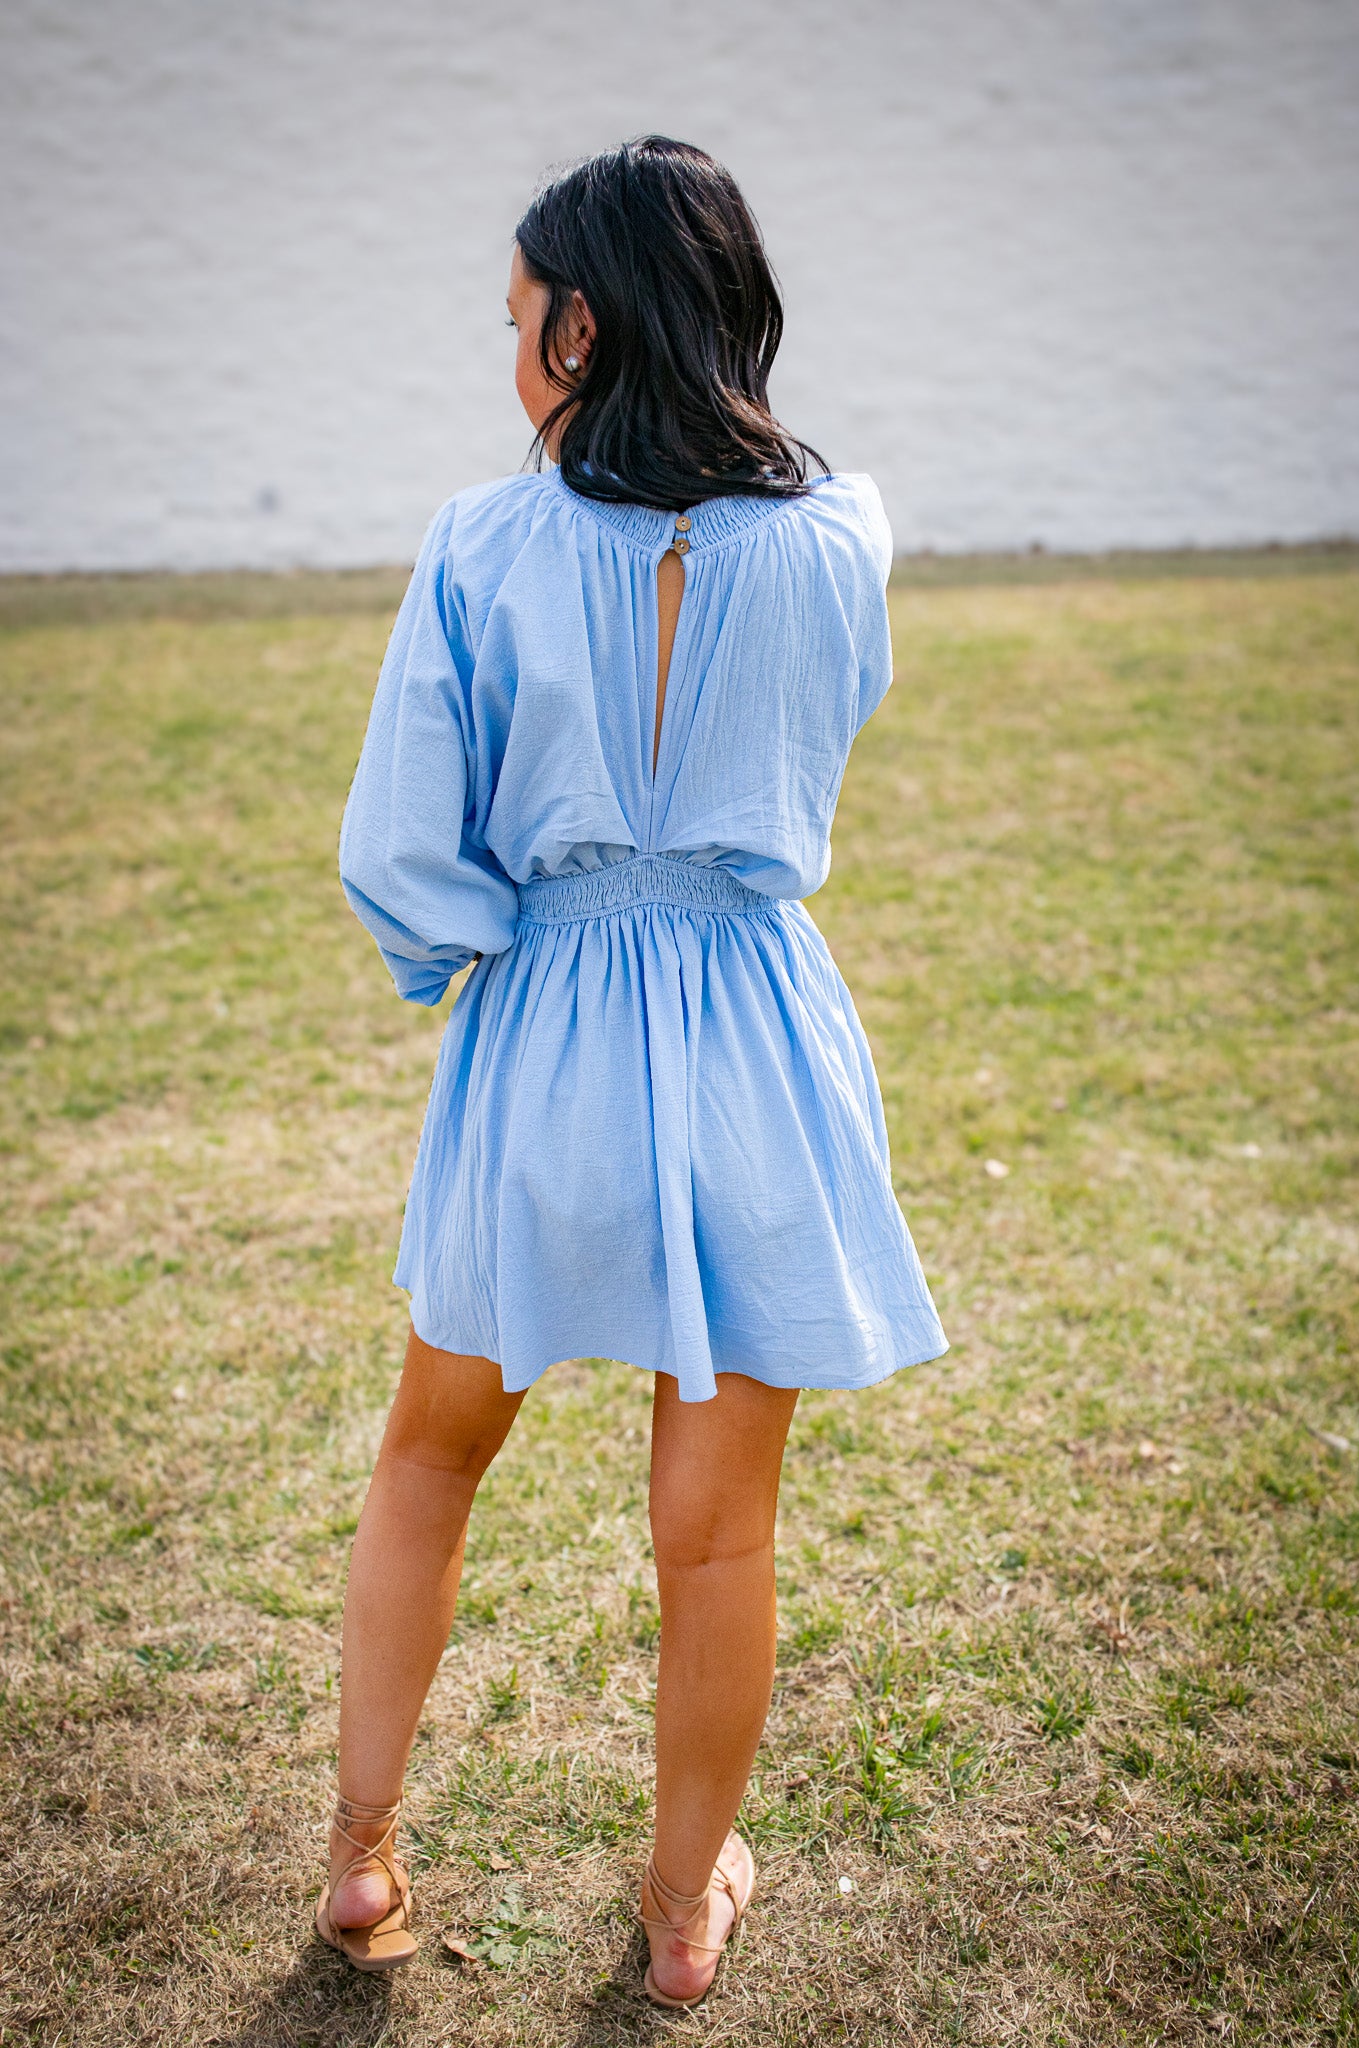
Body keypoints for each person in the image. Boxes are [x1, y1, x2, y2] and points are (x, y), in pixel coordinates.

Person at [321, 134, 947, 2007]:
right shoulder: (842, 529)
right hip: (755, 1026)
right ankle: (683, 1908)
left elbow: (402, 843)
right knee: (715, 1524)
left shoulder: (480, 538)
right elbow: (815, 731)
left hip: (552, 1024)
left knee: (431, 1454)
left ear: (581, 328)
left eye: (520, 323)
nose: (507, 358)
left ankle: (361, 1856)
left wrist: (480, 950)